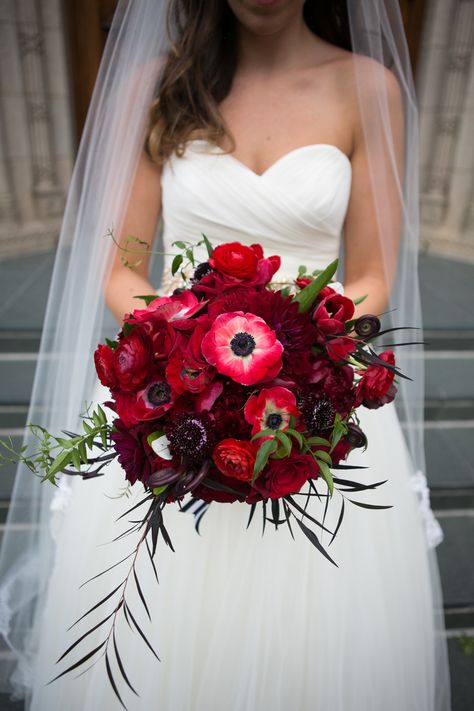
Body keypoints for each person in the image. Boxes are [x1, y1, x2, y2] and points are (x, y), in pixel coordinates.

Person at [0, 1, 451, 710]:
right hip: (172, 398)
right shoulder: (158, 85)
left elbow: (371, 277)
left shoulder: (369, 89)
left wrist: (300, 355)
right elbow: (122, 266)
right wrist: (188, 350)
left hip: (311, 408)